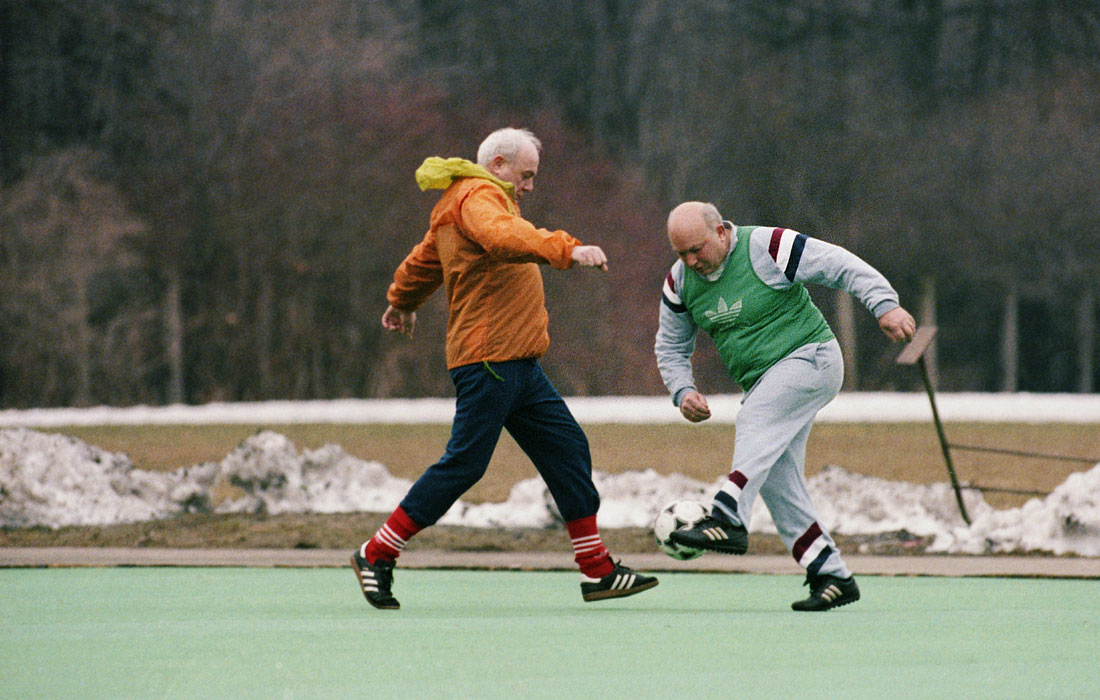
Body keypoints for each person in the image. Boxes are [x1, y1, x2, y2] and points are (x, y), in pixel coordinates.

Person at [352, 127, 658, 609]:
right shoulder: (477, 198)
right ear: (498, 165)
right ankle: (377, 552)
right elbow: (502, 237)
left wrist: (402, 300)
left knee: (567, 448)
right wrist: (566, 249)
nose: (530, 186)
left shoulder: (463, 207)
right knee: (465, 465)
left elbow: (423, 261)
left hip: (518, 364)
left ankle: (597, 570)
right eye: (526, 174)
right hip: (490, 362)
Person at [654, 201, 915, 611]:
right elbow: (670, 347)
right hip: (763, 383)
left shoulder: (766, 245)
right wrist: (682, 391)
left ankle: (727, 516)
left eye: (697, 249)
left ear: (722, 231)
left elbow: (839, 264)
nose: (691, 261)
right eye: (681, 253)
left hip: (811, 359)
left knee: (755, 417)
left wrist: (884, 303)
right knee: (777, 482)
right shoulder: (679, 283)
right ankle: (829, 573)